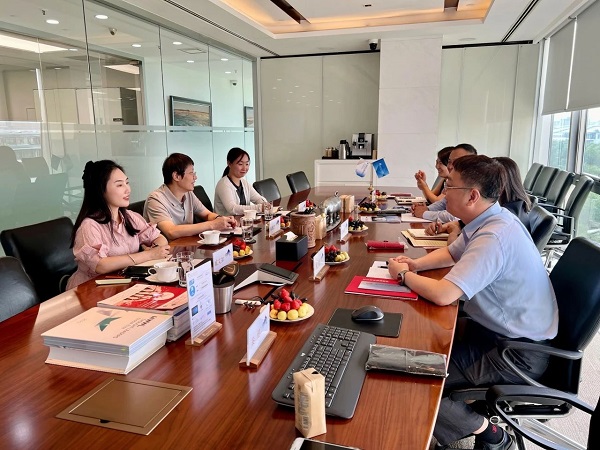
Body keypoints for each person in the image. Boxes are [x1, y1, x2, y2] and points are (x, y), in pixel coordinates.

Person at [389, 155, 557, 450]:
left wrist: (404, 276)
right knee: (415, 352)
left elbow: (444, 294)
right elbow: (452, 253)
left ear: (472, 196)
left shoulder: (495, 236)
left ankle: (493, 435)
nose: (444, 192)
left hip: (515, 352)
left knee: (419, 382)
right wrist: (415, 265)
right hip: (496, 333)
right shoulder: (490, 218)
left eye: (449, 185)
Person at [67, 160, 171, 289]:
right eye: (119, 185)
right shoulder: (89, 225)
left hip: (123, 283)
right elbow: (100, 265)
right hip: (92, 289)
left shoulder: (130, 217)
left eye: (127, 183)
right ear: (101, 189)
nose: (128, 189)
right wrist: (148, 255)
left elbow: (159, 238)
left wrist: (156, 248)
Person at [427, 156, 533, 245]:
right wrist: (445, 227)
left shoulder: (503, 220)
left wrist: (454, 233)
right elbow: (459, 224)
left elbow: (456, 252)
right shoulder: (509, 208)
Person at [144, 153, 236, 240]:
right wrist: (212, 224)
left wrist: (222, 219)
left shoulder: (188, 194)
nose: (195, 177)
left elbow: (207, 214)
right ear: (176, 176)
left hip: (187, 246)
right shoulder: (155, 199)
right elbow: (171, 231)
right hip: (167, 249)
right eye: (191, 173)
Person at [412, 143, 478, 223]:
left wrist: (424, 213)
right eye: (449, 162)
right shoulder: (450, 181)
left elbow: (454, 216)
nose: (450, 166)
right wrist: (427, 209)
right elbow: (443, 202)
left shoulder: (472, 185)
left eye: (456, 162)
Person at [213, 147, 268, 216]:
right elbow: (232, 209)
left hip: (244, 221)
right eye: (240, 164)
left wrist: (264, 204)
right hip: (227, 222)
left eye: (247, 164)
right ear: (229, 164)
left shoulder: (244, 182)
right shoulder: (223, 184)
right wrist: (259, 208)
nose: (244, 168)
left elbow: (257, 198)